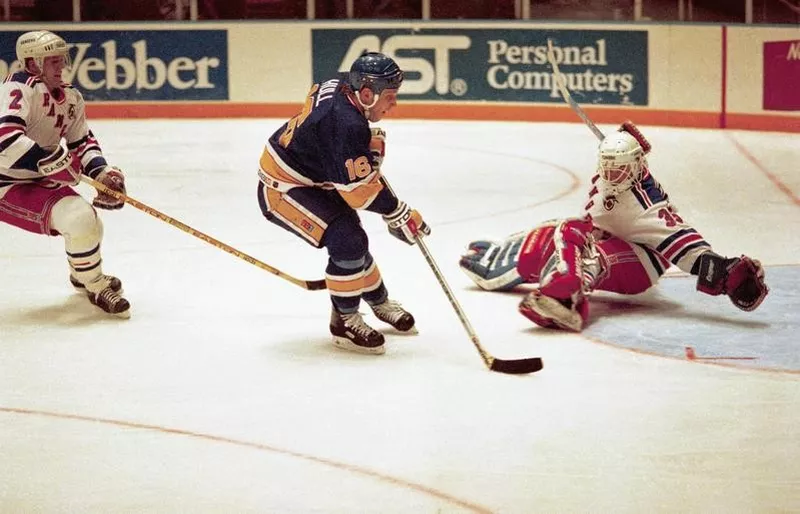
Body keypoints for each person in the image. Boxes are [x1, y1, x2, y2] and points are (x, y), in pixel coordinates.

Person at [459, 121, 768, 331]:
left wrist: (727, 274)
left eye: (618, 168)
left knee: (586, 252)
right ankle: (509, 256)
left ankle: (566, 303)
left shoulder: (647, 207)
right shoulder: (620, 176)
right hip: (618, 237)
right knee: (561, 231)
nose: (610, 174)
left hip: (640, 263)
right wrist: (623, 140)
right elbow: (597, 209)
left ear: (635, 168)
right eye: (606, 164)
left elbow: (683, 243)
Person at [256, 52, 430, 354]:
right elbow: (358, 192)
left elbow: (340, 150)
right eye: (390, 96)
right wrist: (396, 211)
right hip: (283, 188)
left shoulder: (341, 88)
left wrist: (364, 157)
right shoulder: (345, 125)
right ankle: (345, 321)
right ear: (367, 93)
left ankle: (378, 301)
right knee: (348, 240)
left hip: (313, 176)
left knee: (353, 239)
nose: (394, 104)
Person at [0, 30, 130, 317]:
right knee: (79, 218)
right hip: (6, 183)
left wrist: (102, 173)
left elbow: (82, 142)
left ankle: (81, 274)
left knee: (91, 223)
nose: (62, 67)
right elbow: (5, 140)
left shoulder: (70, 96)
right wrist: (54, 162)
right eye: (53, 61)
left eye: (63, 60)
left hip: (34, 177)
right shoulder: (17, 88)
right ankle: (95, 284)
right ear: (32, 64)